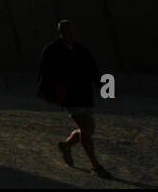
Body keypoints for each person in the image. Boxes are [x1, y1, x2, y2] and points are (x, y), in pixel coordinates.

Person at [36, 19, 111, 179]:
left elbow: (94, 70)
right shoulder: (52, 50)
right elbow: (45, 73)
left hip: (85, 93)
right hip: (69, 95)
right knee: (85, 127)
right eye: (66, 30)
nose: (69, 33)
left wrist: (107, 88)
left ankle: (66, 145)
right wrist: (47, 93)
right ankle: (96, 166)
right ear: (60, 32)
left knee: (89, 128)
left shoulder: (81, 50)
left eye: (71, 30)